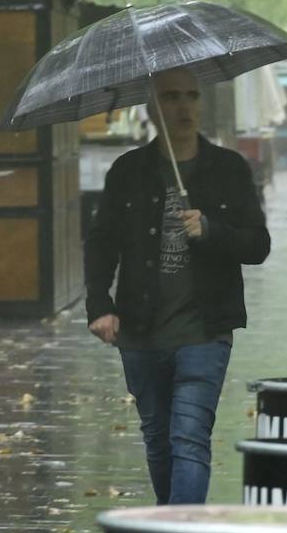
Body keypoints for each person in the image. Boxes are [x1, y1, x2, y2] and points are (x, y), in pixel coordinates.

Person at [84, 67, 271, 504]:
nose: (184, 106)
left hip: (204, 331)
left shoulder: (228, 169)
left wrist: (211, 230)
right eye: (170, 97)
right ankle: (171, 527)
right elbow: (101, 242)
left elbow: (258, 245)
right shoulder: (128, 172)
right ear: (151, 108)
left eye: (191, 96)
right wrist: (99, 305)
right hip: (141, 330)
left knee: (188, 437)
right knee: (158, 438)